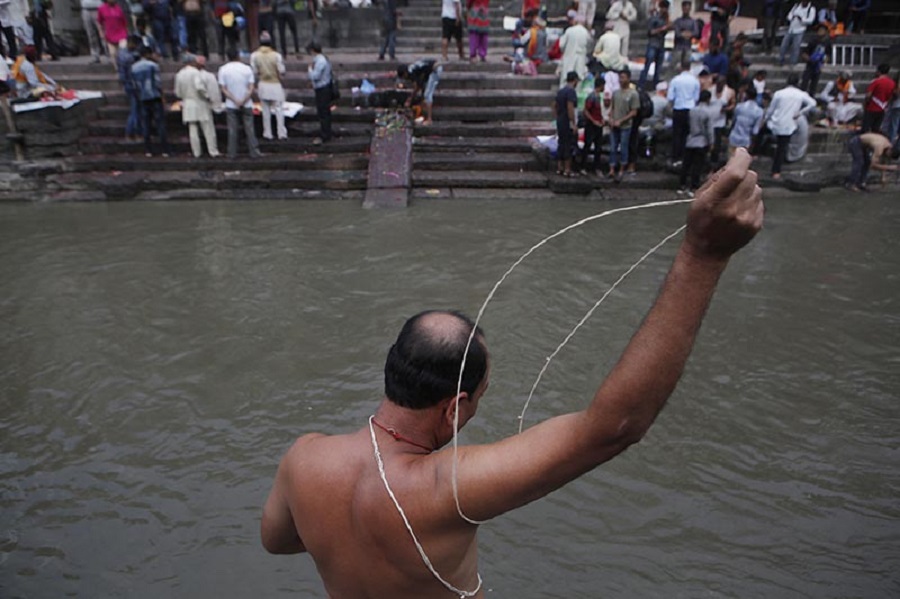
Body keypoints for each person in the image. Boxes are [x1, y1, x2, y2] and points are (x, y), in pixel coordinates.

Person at [260, 150, 765, 599]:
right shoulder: (447, 490)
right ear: (456, 405)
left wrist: (348, 541)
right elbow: (615, 427)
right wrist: (704, 253)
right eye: (481, 396)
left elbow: (277, 541)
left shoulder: (303, 458)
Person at [763, 72, 815, 179]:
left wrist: (765, 119)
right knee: (781, 148)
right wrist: (800, 112)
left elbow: (771, 110)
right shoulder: (800, 94)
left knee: (766, 135)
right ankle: (775, 171)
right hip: (788, 124)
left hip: (776, 122)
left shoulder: (779, 93)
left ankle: (754, 154)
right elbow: (813, 103)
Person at [218, 46, 262, 157]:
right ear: (238, 56)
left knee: (232, 130)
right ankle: (254, 152)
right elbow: (251, 87)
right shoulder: (247, 68)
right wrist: (244, 99)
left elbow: (223, 89)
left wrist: (235, 100)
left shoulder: (223, 69)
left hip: (231, 104)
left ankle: (232, 153)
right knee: (250, 129)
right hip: (246, 102)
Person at [175, 53, 220, 157]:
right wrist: (207, 96)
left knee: (193, 129)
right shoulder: (196, 73)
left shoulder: (179, 74)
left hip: (188, 103)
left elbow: (178, 92)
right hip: (200, 102)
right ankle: (212, 151)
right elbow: (199, 87)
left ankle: (196, 152)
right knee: (208, 128)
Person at [132, 44, 171, 157]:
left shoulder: (134, 67)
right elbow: (157, 82)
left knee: (146, 124)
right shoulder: (153, 65)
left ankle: (148, 149)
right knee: (160, 123)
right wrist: (162, 95)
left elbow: (135, 85)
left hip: (143, 98)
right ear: (148, 54)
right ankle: (164, 149)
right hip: (155, 96)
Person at [251, 31, 287, 140]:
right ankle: (281, 133)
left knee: (265, 110)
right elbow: (282, 70)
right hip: (275, 84)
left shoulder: (254, 55)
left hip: (263, 84)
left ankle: (267, 133)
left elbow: (254, 71)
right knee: (279, 109)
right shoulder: (276, 55)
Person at [679, 88, 715, 194]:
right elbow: (709, 129)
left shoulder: (692, 110)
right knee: (697, 165)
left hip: (690, 140)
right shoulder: (708, 112)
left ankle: (682, 184)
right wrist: (711, 142)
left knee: (686, 164)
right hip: (701, 141)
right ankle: (694, 186)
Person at [609, 68, 640, 181]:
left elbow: (634, 112)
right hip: (614, 125)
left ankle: (622, 168)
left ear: (628, 78)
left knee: (624, 148)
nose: (621, 80)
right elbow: (612, 108)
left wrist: (621, 120)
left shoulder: (633, 94)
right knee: (612, 148)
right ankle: (611, 169)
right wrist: (611, 119)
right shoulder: (616, 93)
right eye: (620, 78)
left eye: (623, 78)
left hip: (625, 126)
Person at [668, 59, 700, 165]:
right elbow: (696, 97)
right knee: (687, 133)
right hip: (690, 108)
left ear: (681, 67)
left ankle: (676, 157)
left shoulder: (675, 80)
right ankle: (686, 157)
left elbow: (670, 97)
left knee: (677, 134)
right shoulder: (695, 80)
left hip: (678, 107)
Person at [398, 58, 442, 127]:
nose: (405, 79)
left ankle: (429, 119)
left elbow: (417, 87)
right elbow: (421, 84)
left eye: (404, 77)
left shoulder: (411, 72)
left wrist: (410, 99)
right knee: (425, 92)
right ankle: (425, 109)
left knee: (427, 95)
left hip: (435, 69)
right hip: (430, 70)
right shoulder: (412, 69)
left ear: (405, 73)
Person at [638, 0, 669, 90]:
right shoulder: (654, 18)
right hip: (653, 44)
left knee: (658, 68)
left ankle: (655, 86)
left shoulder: (665, 19)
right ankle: (641, 85)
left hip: (661, 45)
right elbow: (650, 32)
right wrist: (661, 29)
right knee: (647, 66)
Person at [117, 35, 143, 142]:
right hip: (133, 85)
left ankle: (133, 132)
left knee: (135, 110)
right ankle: (133, 132)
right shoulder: (130, 57)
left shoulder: (121, 54)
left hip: (128, 84)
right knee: (135, 110)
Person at [578, 76, 605, 175]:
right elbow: (586, 110)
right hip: (591, 125)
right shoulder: (592, 97)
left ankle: (596, 167)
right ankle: (583, 166)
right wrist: (593, 121)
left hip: (598, 124)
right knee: (588, 145)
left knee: (598, 147)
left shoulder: (599, 97)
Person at [554, 70, 579, 176]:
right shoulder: (571, 91)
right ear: (575, 80)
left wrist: (557, 116)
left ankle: (560, 167)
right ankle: (567, 169)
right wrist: (573, 122)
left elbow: (554, 105)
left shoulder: (561, 91)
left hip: (560, 120)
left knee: (561, 143)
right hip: (567, 121)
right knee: (568, 144)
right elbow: (570, 107)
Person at [779, 1, 815, 68]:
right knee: (783, 45)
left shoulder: (811, 9)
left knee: (795, 47)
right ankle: (781, 60)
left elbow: (810, 20)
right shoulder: (796, 6)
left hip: (800, 30)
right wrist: (791, 18)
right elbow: (790, 15)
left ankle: (793, 63)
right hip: (791, 29)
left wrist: (801, 19)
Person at [861, 64, 895, 134]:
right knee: (876, 129)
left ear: (878, 72)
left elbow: (868, 95)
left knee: (865, 128)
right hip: (882, 108)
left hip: (871, 108)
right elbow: (891, 96)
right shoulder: (892, 83)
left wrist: (865, 104)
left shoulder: (876, 81)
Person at [558, 12, 589, 88]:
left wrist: (564, 51)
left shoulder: (569, 30)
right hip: (581, 59)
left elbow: (561, 45)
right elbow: (588, 46)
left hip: (569, 57)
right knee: (579, 78)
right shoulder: (586, 32)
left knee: (565, 77)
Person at [728, 86, 763, 154]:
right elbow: (755, 131)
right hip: (746, 140)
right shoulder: (759, 111)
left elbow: (734, 121)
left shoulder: (739, 107)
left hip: (734, 137)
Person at [709, 75, 734, 166]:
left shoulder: (729, 92)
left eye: (721, 84)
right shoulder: (710, 90)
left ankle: (714, 162)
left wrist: (726, 109)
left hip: (720, 121)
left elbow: (733, 104)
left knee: (717, 143)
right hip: (710, 119)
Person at [800, 25, 831, 96]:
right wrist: (810, 60)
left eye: (822, 30)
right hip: (810, 65)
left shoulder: (827, 43)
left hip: (818, 66)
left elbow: (828, 55)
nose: (820, 32)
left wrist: (823, 63)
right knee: (804, 82)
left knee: (814, 85)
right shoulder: (813, 41)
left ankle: (811, 97)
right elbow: (804, 53)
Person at [98, 0, 130, 67]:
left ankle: (124, 67)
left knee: (122, 51)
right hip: (110, 34)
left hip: (121, 33)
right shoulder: (101, 9)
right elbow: (100, 22)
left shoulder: (119, 8)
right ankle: (118, 69)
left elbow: (124, 21)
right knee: (113, 54)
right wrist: (101, 32)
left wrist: (126, 31)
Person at [672, 1, 698, 69]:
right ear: (682, 8)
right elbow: (677, 34)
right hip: (678, 47)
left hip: (688, 47)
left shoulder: (693, 21)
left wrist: (686, 34)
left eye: (688, 8)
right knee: (675, 67)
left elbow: (696, 32)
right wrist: (687, 34)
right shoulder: (678, 21)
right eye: (685, 8)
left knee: (686, 67)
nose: (686, 10)